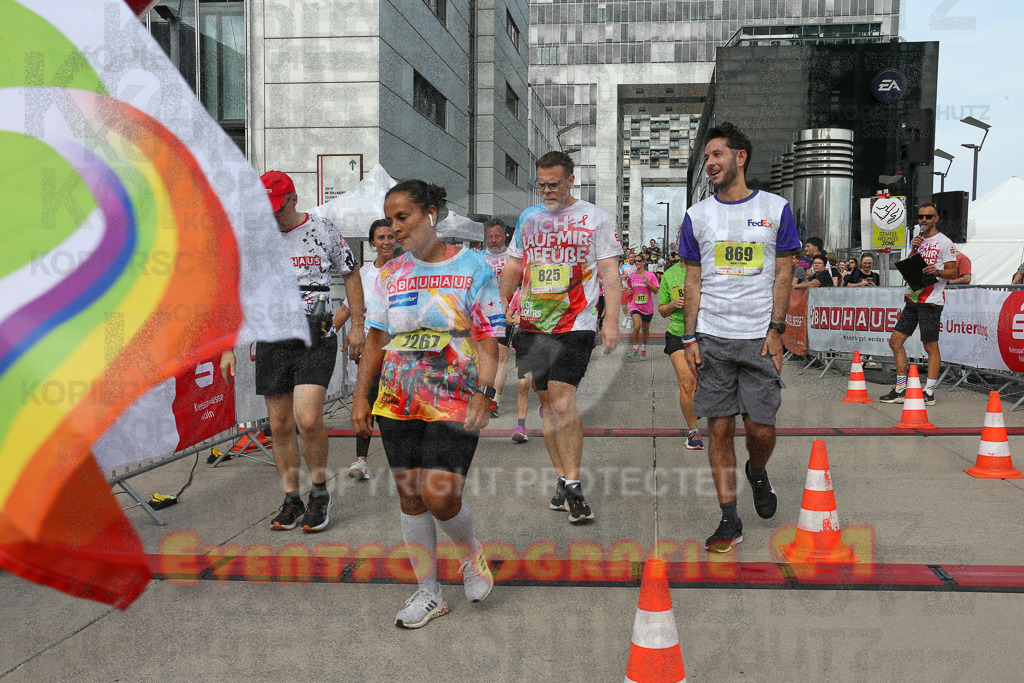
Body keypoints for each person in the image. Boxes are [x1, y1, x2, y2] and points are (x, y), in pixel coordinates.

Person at [351, 179, 500, 629]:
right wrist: (362, 396)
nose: (394, 229)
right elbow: (377, 339)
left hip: (456, 399)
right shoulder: (389, 274)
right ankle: (429, 593)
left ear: (431, 214)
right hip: (397, 399)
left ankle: (470, 552)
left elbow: (492, 340)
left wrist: (486, 391)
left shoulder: (475, 268)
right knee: (411, 496)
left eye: (403, 217)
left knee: (440, 494)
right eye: (390, 220)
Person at [679, 122, 801, 552]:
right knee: (719, 429)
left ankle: (757, 470)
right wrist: (690, 336)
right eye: (707, 158)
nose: (710, 163)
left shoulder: (776, 208)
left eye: (717, 155)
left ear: (740, 157)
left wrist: (777, 329)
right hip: (712, 336)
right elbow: (692, 280)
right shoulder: (696, 216)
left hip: (760, 338)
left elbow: (784, 272)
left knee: (762, 429)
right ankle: (729, 518)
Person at [221, 170, 364, 533]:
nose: (273, 215)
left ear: (294, 199)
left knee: (308, 419)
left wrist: (358, 326)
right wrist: (227, 346)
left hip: (316, 336)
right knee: (280, 425)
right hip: (273, 336)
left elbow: (350, 273)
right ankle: (291, 498)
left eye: (279, 208)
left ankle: (319, 492)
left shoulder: (322, 229)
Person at [500, 150, 623, 524]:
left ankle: (574, 485)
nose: (548, 191)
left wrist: (612, 321)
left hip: (576, 324)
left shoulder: (595, 218)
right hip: (532, 324)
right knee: (547, 406)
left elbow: (610, 273)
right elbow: (516, 265)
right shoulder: (528, 218)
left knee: (563, 401)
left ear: (572, 180)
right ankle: (562, 478)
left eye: (554, 184)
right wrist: (500, 302)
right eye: (542, 185)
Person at [880, 202, 957, 406]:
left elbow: (954, 272)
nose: (924, 220)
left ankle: (929, 392)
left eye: (928, 217)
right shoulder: (917, 241)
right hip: (913, 298)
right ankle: (901, 389)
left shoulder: (945, 242)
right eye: (921, 217)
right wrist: (914, 249)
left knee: (930, 346)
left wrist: (937, 271)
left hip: (931, 301)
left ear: (936, 219)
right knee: (895, 341)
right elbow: (910, 264)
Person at [348, 218, 397, 481]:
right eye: (381, 238)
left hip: (400, 351)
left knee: (390, 407)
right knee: (366, 399)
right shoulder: (364, 274)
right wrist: (328, 333)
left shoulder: (406, 269)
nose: (387, 242)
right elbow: (348, 306)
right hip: (370, 348)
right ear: (372, 243)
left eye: (391, 236)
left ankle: (400, 462)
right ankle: (361, 461)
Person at [658, 258, 703, 450]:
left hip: (705, 334)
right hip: (678, 334)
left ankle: (697, 404)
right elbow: (662, 310)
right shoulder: (669, 274)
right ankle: (693, 432)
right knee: (687, 383)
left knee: (701, 383)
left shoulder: (707, 269)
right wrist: (673, 304)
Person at [483, 217, 513, 416]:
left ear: (504, 236)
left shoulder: (514, 257)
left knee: (501, 355)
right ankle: (482, 395)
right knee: (484, 356)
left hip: (504, 312)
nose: (493, 240)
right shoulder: (478, 258)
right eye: (490, 237)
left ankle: (495, 401)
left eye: (497, 236)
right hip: (482, 312)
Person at [507, 287, 534, 443]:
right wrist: (512, 319)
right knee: (523, 385)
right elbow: (508, 316)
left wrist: (523, 319)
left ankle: (547, 408)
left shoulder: (545, 293)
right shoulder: (518, 293)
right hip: (523, 344)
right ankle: (521, 428)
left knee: (539, 387)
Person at [626, 254, 660, 360]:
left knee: (645, 329)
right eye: (635, 261)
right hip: (635, 305)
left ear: (644, 262)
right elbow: (629, 287)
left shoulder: (650, 275)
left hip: (647, 307)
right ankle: (635, 348)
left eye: (639, 261)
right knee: (636, 326)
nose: (637, 263)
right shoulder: (631, 276)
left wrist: (647, 283)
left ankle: (643, 349)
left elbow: (655, 291)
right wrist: (629, 291)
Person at [619, 249, 637, 331]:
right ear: (628, 258)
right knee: (624, 306)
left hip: (633, 289)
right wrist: (623, 276)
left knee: (630, 305)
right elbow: (619, 277)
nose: (632, 258)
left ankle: (629, 321)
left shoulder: (637, 266)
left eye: (633, 257)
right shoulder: (624, 266)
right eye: (630, 257)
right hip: (624, 288)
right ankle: (626, 317)